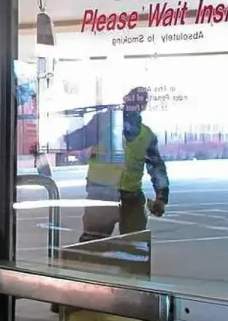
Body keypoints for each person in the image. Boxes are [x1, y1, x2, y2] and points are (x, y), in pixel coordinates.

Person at [64, 86, 170, 242]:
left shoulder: (146, 135)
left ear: (144, 106)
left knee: (135, 247)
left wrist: (161, 197)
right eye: (133, 101)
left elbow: (157, 168)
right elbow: (75, 141)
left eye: (139, 103)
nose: (134, 107)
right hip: (102, 195)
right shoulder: (104, 123)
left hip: (131, 197)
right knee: (92, 246)